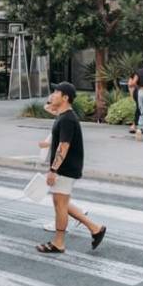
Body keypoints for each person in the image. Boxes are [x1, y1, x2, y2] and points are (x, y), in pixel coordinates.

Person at [37, 82, 106, 254]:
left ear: (65, 97)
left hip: (65, 169)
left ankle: (59, 243)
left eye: (56, 93)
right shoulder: (62, 115)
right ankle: (95, 228)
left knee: (60, 205)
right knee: (62, 203)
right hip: (67, 167)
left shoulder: (67, 118)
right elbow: (49, 107)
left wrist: (53, 170)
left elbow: (64, 146)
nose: (52, 95)